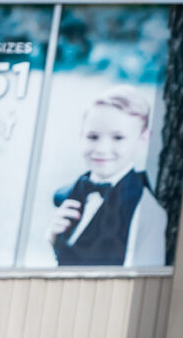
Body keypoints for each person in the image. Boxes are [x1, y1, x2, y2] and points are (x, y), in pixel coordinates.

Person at [49, 90, 169, 267]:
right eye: (93, 137)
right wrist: (55, 240)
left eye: (118, 138)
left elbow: (145, 276)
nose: (102, 148)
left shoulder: (147, 211)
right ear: (81, 134)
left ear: (143, 140)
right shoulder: (77, 190)